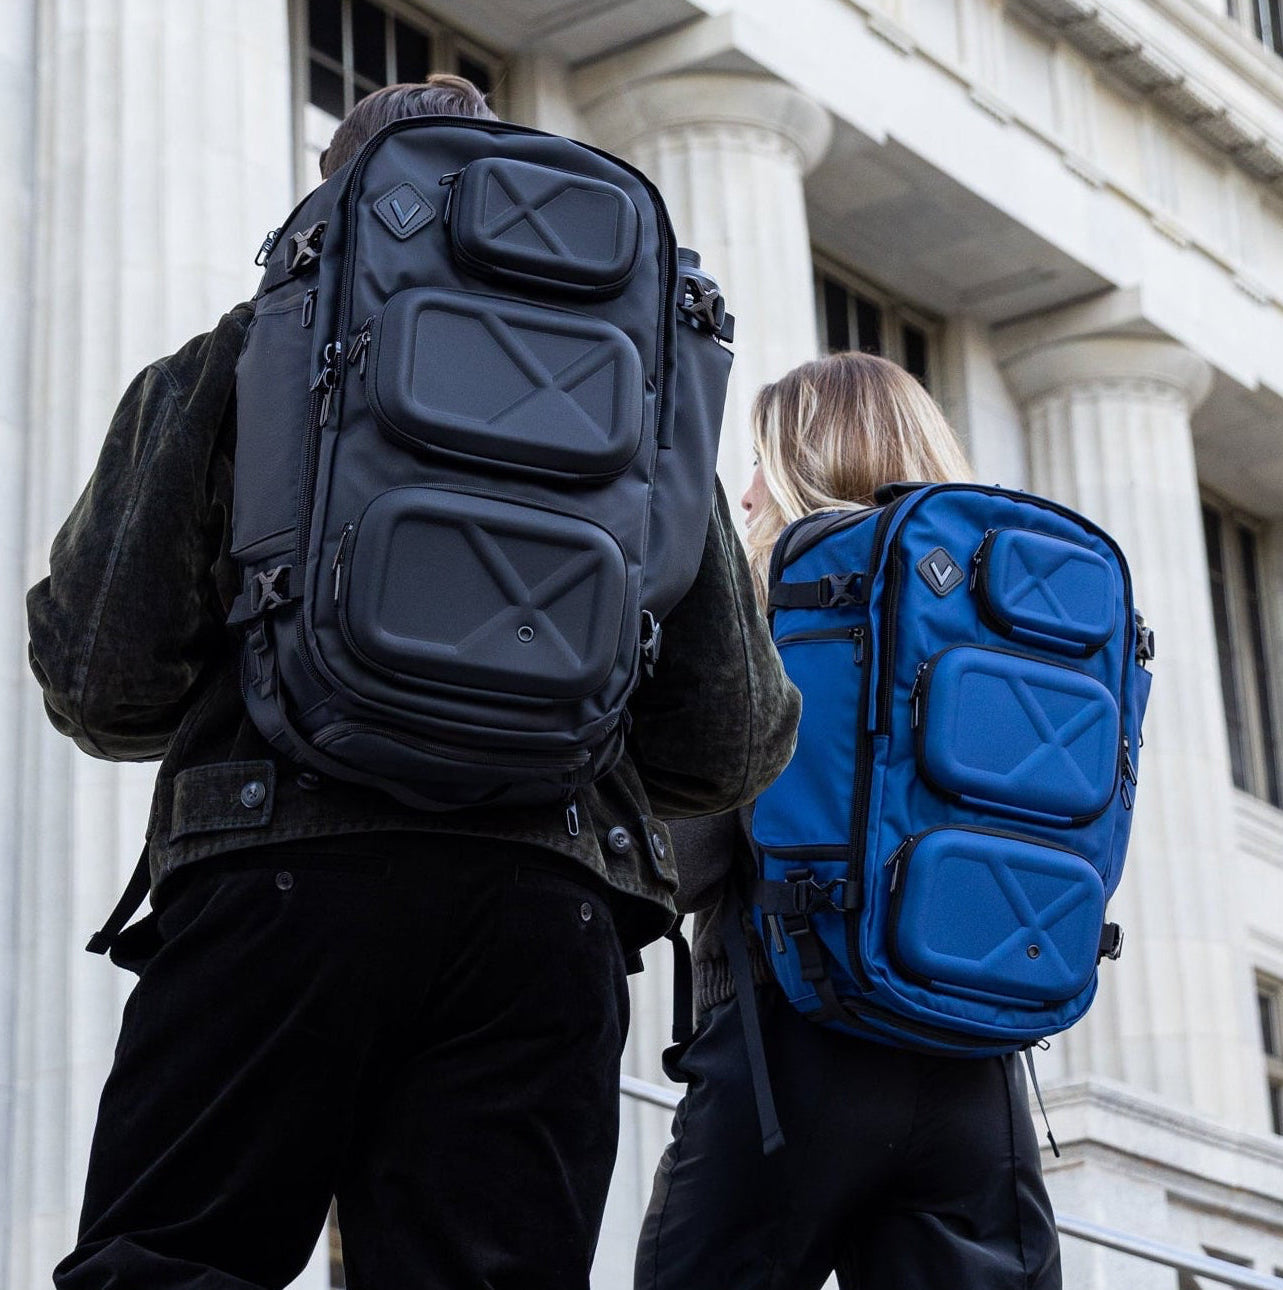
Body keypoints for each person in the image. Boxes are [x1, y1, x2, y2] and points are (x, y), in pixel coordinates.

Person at [27, 74, 801, 1290]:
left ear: (332, 206)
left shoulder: (232, 362)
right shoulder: (636, 416)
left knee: (169, 1262)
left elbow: (101, 678)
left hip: (275, 881)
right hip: (543, 911)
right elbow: (731, 738)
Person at [634, 351, 1063, 1290]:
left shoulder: (781, 606)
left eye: (759, 461)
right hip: (976, 1067)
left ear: (802, 467)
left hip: (789, 1046)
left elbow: (687, 857)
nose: (745, 492)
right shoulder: (1009, 625)